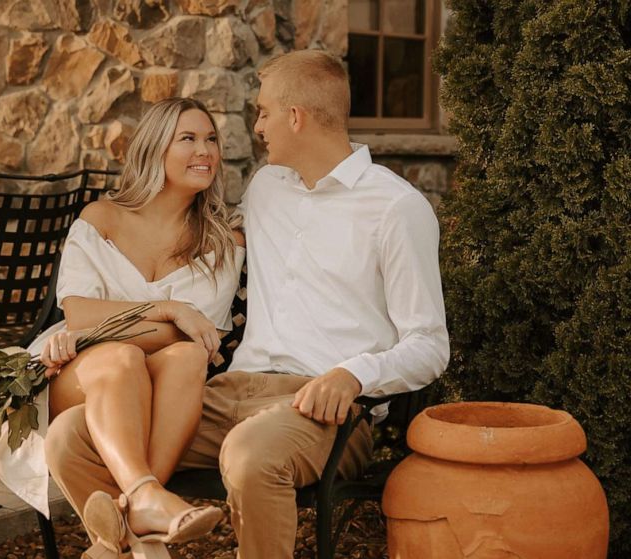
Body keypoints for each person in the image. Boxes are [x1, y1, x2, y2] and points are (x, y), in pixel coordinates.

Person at [46, 50, 449, 559]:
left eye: (263, 112)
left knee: (250, 454)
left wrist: (354, 375)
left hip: (323, 409)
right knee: (69, 436)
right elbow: (197, 234)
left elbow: (430, 345)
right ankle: (136, 544)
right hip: (228, 393)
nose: (256, 127)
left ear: (295, 118)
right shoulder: (266, 189)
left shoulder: (396, 208)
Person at [30, 97, 246, 559]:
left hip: (166, 379)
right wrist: (168, 310)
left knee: (187, 356)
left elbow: (196, 338)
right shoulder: (101, 217)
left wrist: (169, 323)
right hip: (75, 366)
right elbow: (79, 315)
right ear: (155, 148)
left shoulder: (223, 241)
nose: (204, 150)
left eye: (211, 139)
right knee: (121, 356)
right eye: (187, 138)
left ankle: (129, 530)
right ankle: (147, 503)